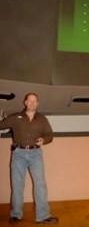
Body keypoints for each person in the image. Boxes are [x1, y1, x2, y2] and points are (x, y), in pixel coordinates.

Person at [0, 92, 58, 224]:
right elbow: (1, 125)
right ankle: (16, 214)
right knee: (17, 185)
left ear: (37, 103)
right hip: (18, 154)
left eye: (35, 101)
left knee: (40, 184)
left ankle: (43, 216)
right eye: (29, 101)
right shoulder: (15, 117)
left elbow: (50, 134)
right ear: (25, 102)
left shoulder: (42, 119)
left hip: (35, 154)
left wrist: (44, 140)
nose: (32, 103)